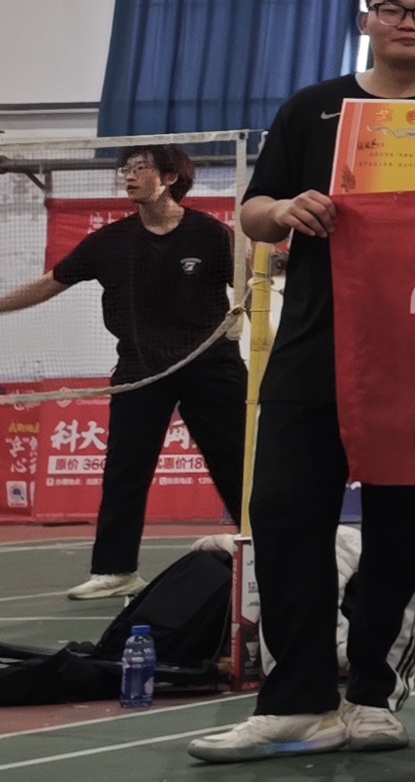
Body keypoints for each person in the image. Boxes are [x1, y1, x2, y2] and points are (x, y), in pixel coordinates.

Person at [189, 0, 415, 763]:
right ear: (366, 21)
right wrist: (286, 208)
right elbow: (255, 212)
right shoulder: (314, 107)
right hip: (315, 344)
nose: (407, 21)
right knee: (284, 513)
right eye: (391, 8)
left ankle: (370, 694)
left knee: (403, 531)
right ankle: (296, 702)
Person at [0, 143, 245, 600]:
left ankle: (267, 550)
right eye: (126, 168)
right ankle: (116, 571)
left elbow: (250, 283)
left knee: (238, 462)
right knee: (125, 469)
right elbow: (50, 283)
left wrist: (263, 261)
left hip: (210, 365)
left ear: (169, 178)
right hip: (140, 368)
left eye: (140, 167)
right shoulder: (110, 242)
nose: (128, 175)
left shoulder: (212, 235)